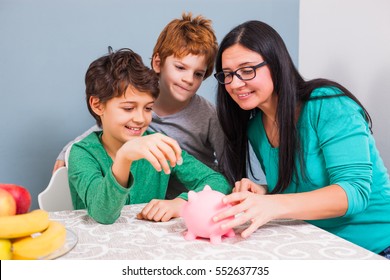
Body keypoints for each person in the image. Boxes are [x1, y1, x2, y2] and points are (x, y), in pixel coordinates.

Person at [212, 20, 390, 258]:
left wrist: (272, 205)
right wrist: (264, 193)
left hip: (375, 249)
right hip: (316, 245)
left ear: (276, 64)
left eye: (247, 70)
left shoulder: (329, 105)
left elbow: (355, 191)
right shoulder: (256, 126)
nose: (234, 83)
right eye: (227, 74)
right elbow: (303, 188)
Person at [53, 12, 224, 199]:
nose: (188, 79)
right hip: (146, 199)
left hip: (192, 198)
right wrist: (68, 151)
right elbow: (106, 126)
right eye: (180, 67)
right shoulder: (140, 101)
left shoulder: (208, 115)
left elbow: (226, 167)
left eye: (198, 74)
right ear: (158, 63)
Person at [67, 47, 231, 224]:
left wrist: (180, 203)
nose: (140, 119)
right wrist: (124, 157)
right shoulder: (82, 154)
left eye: (148, 108)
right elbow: (103, 214)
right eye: (128, 108)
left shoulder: (160, 146)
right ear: (98, 105)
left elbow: (217, 181)